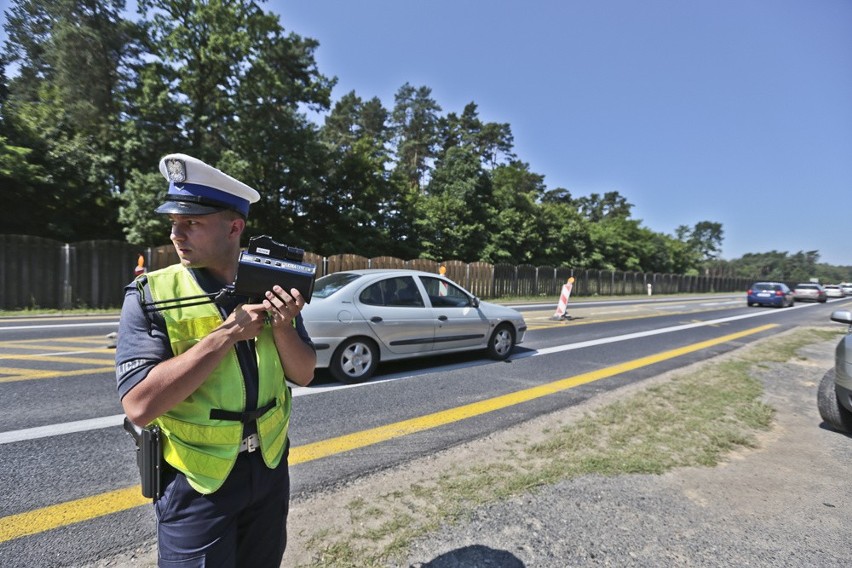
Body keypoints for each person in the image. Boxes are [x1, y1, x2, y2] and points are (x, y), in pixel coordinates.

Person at [115, 153, 316, 567]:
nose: (176, 234)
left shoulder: (272, 282)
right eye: (173, 223)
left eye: (191, 223)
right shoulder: (150, 294)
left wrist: (283, 327)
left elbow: (305, 373)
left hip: (269, 468)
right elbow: (139, 404)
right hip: (196, 481)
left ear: (235, 227)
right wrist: (225, 335)